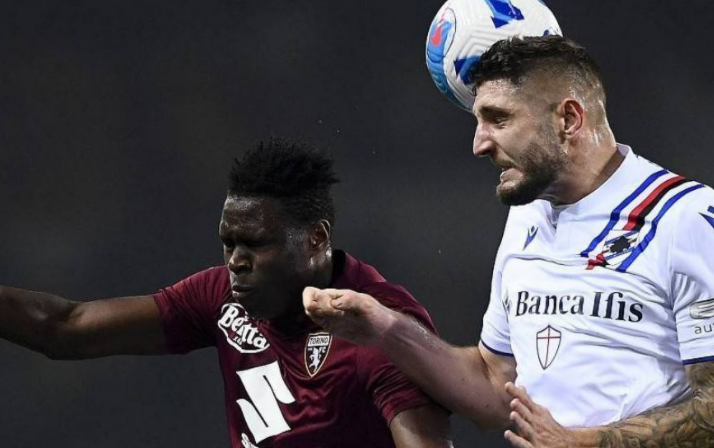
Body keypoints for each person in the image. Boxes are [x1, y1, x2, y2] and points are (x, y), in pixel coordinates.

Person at [304, 36, 714, 447]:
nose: (479, 144)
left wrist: (586, 443)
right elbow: (496, 384)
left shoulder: (686, 218)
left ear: (569, 119)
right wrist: (386, 328)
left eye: (498, 120)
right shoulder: (527, 216)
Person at [0, 138, 452, 448]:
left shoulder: (381, 329)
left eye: (255, 244)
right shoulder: (221, 296)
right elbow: (66, 329)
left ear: (316, 238)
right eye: (228, 243)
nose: (235, 261)